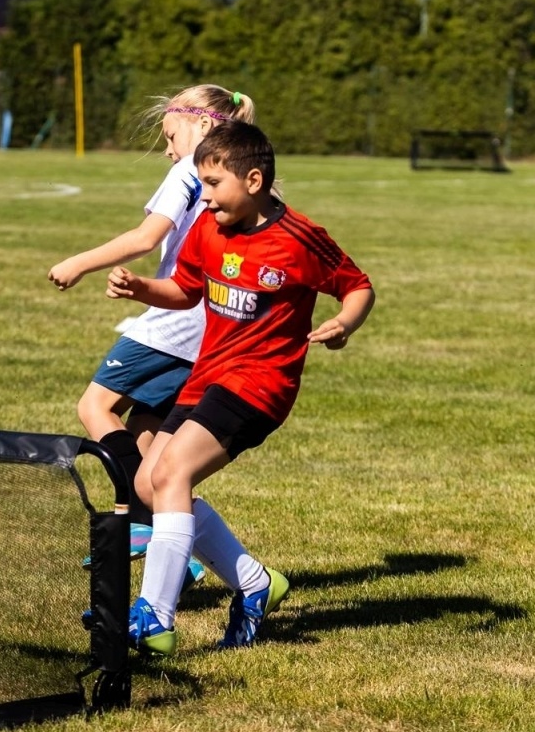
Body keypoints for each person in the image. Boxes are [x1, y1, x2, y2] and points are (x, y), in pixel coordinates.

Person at [106, 121, 376, 653]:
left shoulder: (299, 238)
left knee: (173, 471)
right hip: (208, 375)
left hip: (261, 383)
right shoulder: (209, 229)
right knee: (149, 486)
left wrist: (345, 323)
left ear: (253, 181)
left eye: (213, 183)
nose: (204, 198)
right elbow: (185, 291)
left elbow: (358, 286)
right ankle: (256, 583)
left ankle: (155, 615)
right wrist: (141, 288)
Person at [48, 86, 256, 520]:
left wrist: (78, 263)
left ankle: (147, 515)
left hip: (175, 319)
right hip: (214, 321)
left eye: (170, 135)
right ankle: (149, 531)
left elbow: (146, 238)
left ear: (202, 125)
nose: (167, 149)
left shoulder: (188, 171)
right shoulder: (237, 177)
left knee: (95, 406)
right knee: (144, 428)